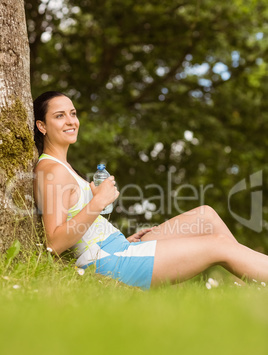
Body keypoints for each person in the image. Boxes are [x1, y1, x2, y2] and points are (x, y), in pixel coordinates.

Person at [33, 91, 268, 290]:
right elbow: (54, 243)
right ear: (42, 126)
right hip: (110, 262)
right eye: (59, 116)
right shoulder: (51, 170)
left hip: (118, 247)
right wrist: (97, 203)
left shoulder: (63, 167)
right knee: (219, 245)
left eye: (72, 113)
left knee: (206, 215)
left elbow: (82, 229)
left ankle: (255, 286)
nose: (71, 121)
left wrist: (119, 237)